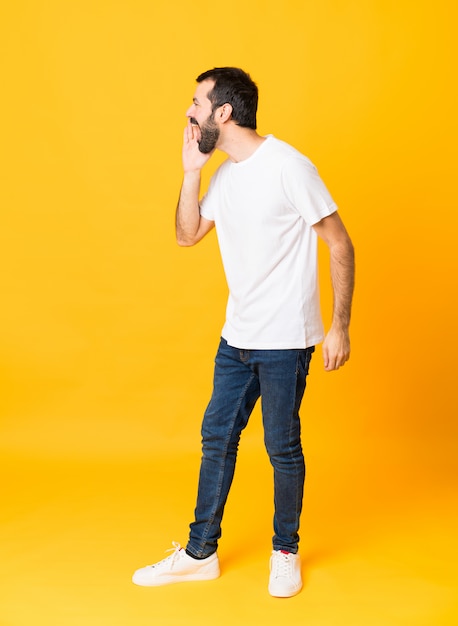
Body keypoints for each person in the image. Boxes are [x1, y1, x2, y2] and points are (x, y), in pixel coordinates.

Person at [132, 67, 355, 597]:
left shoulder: (289, 166)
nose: (189, 113)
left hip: (286, 340)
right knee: (217, 438)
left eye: (196, 103)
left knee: (281, 446)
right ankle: (199, 552)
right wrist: (191, 172)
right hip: (237, 338)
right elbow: (188, 237)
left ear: (223, 112)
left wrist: (339, 326)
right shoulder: (225, 174)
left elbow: (340, 243)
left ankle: (285, 551)